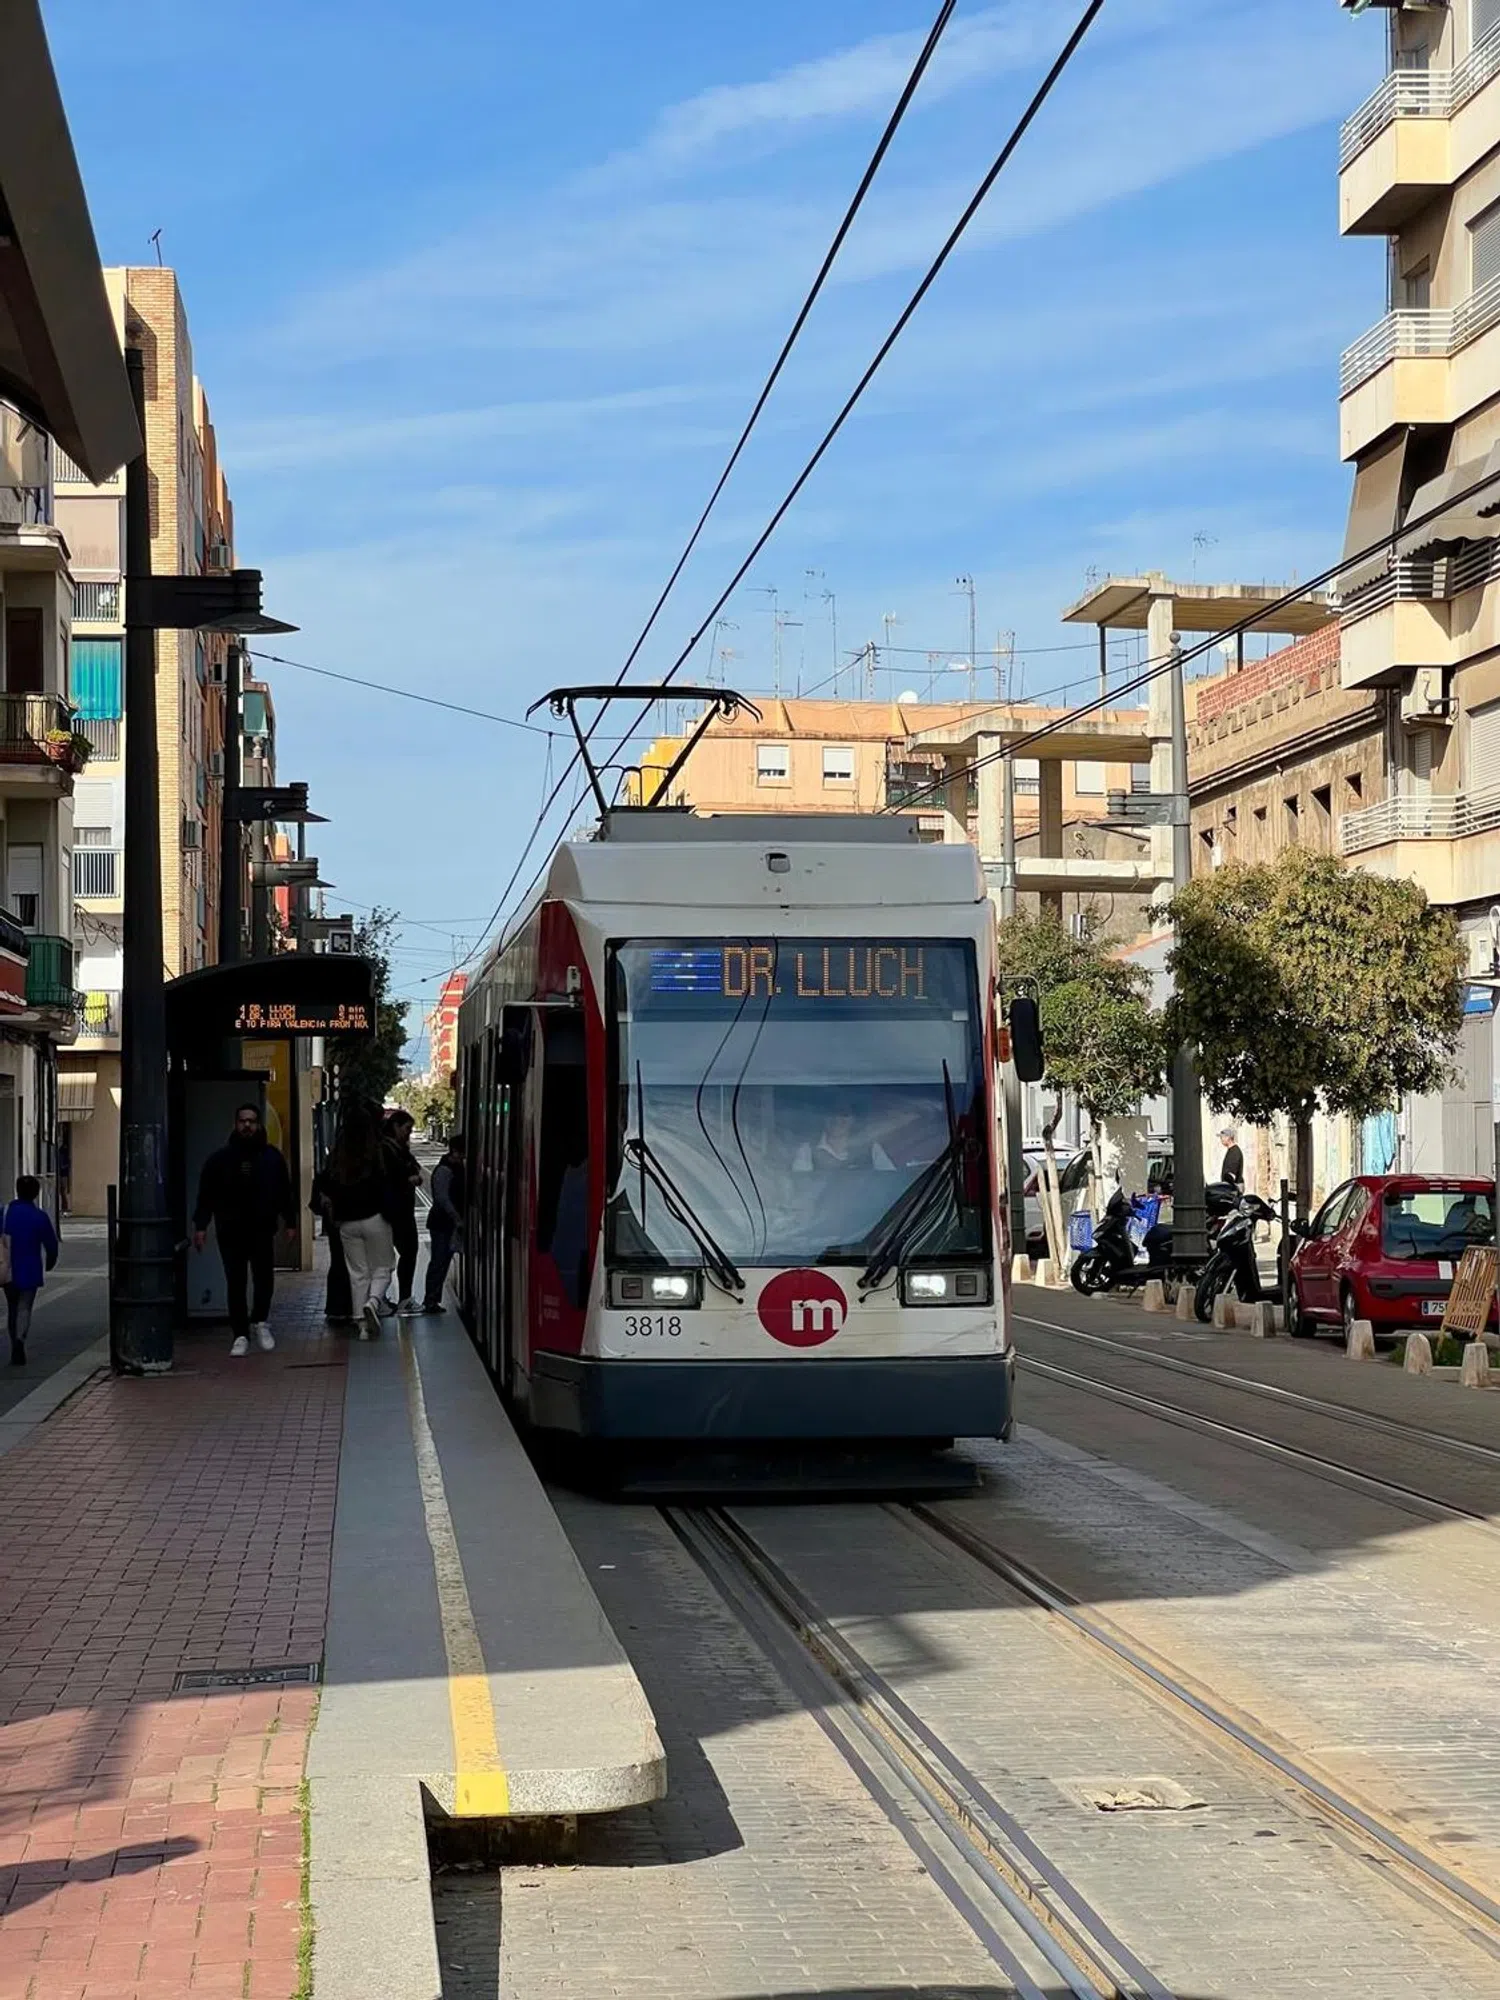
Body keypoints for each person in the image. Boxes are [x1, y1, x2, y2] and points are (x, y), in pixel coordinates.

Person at [192, 1105, 297, 1357]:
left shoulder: (272, 1158)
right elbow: (207, 1195)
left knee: (264, 1279)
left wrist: (290, 1221)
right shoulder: (220, 1160)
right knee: (235, 1283)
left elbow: (284, 1191)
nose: (247, 1126)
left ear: (258, 1124)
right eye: (242, 1121)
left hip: (261, 1229)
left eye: (251, 1121)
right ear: (235, 1124)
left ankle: (260, 1320)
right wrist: (201, 1226)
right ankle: (240, 1334)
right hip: (231, 1230)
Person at [326, 1100, 402, 1338]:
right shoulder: (377, 1150)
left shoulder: (338, 1153)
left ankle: (360, 1324)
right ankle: (373, 1302)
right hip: (375, 1218)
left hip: (347, 1223)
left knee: (357, 1273)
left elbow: (329, 1184)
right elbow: (391, 1181)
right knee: (384, 1266)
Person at [2, 1176, 58, 1366]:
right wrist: (51, 1260)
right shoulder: (39, 1216)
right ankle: (20, 1339)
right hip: (30, 1268)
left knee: (12, 1306)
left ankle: (13, 1341)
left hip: (8, 1268)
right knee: (24, 1306)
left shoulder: (5, 1213)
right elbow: (51, 1244)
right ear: (36, 1193)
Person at [384, 1108, 424, 1316]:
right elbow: (397, 1177)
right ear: (395, 1127)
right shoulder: (389, 1150)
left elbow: (415, 1168)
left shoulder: (397, 1148)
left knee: (404, 1253)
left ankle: (390, 1299)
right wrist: (409, 1180)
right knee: (408, 1252)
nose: (409, 1133)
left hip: (397, 1211)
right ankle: (403, 1298)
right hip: (397, 1211)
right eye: (407, 1129)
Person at [421, 1131, 466, 1313]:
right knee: (439, 1261)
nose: (463, 1156)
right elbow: (442, 1198)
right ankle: (430, 1299)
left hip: (448, 1222)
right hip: (442, 1223)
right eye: (462, 1152)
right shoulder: (444, 1170)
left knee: (444, 1260)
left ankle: (433, 1298)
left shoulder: (456, 1167)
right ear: (454, 1151)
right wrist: (457, 1218)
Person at [310, 1160, 354, 1325]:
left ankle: (336, 1308)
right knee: (354, 1265)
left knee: (337, 1262)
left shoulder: (329, 1169)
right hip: (350, 1221)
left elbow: (316, 1201)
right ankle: (352, 1306)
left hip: (334, 1223)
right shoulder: (358, 1165)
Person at [793, 1103, 895, 1173]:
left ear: (853, 1119)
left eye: (844, 1114)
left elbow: (889, 1180)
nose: (837, 1119)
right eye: (831, 1113)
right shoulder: (807, 1150)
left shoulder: (871, 1148)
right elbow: (801, 1186)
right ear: (823, 1117)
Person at [1219, 1127, 1245, 1191]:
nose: (1221, 1139)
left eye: (1222, 1137)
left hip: (1233, 1187)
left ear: (1228, 1138)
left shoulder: (1234, 1152)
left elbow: (1231, 1173)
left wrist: (1229, 1187)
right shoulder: (1232, 1150)